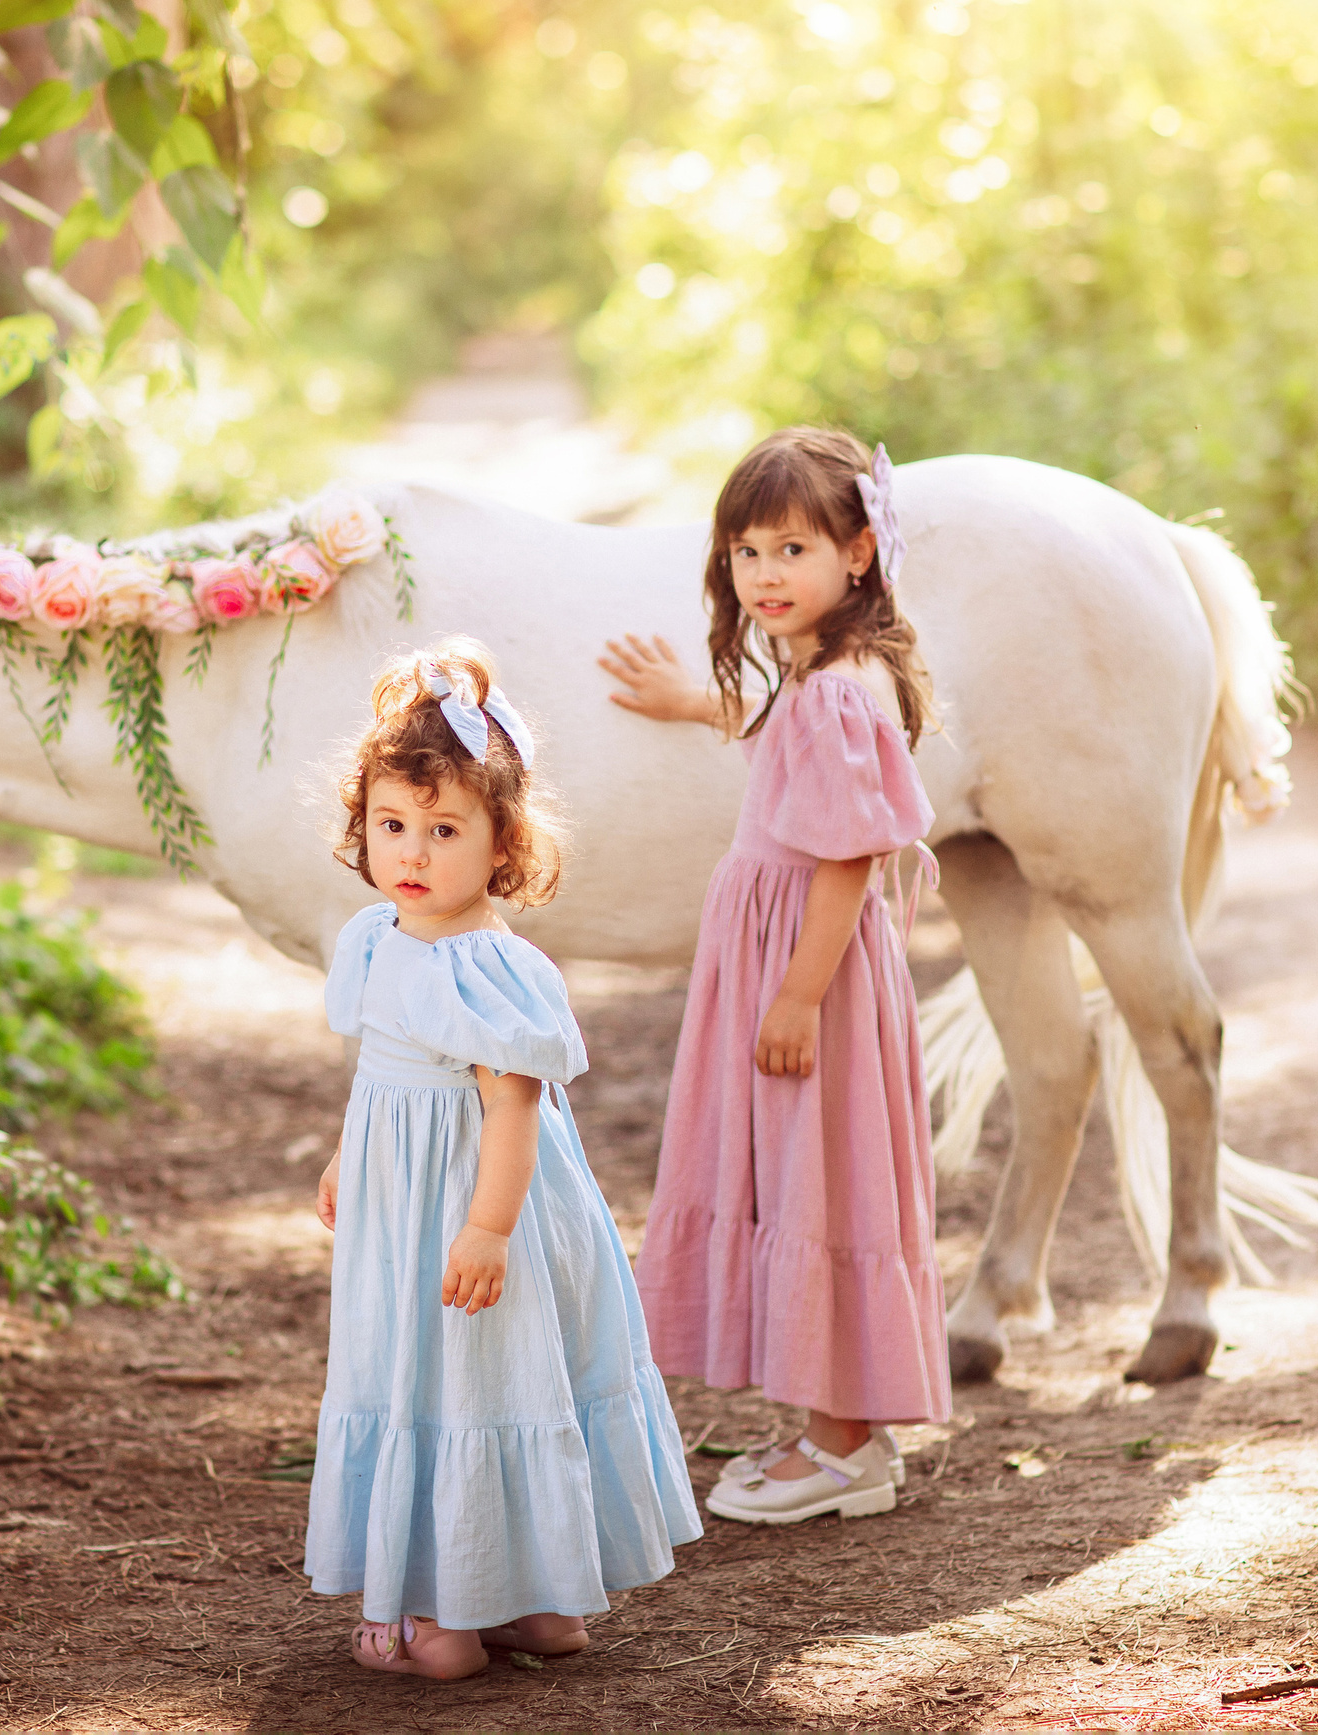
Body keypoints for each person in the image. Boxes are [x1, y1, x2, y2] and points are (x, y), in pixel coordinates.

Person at [307, 638, 703, 1680]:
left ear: (501, 844)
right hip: (404, 1199)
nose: (414, 852)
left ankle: (445, 1615)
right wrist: (350, 1156)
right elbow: (378, 1073)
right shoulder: (375, 938)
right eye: (393, 825)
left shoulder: (491, 967)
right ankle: (536, 1601)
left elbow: (512, 1111)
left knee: (473, 1376)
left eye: (445, 830)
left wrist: (486, 1226)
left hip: (481, 1201)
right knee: (446, 1371)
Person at [600, 427, 950, 1525]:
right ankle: (844, 1426)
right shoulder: (821, 680)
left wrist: (796, 994)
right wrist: (701, 704)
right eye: (746, 551)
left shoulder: (843, 690)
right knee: (810, 1167)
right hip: (791, 948)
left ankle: (842, 1449)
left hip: (812, 960)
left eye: (792, 548)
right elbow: (792, 747)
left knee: (816, 1167)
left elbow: (847, 854)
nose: (764, 574)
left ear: (857, 554)